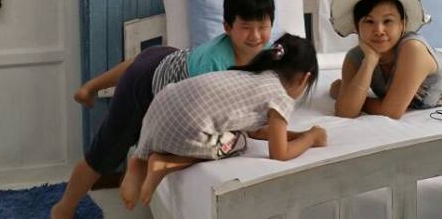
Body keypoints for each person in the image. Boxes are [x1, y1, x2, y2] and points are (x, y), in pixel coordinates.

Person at [51, 0, 277, 219]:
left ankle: (90, 87)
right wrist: (142, 155)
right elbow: (184, 118)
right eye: (246, 28)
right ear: (227, 28)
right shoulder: (214, 67)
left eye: (263, 27)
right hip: (148, 89)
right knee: (104, 153)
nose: (256, 36)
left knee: (141, 63)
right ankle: (63, 208)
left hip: (166, 57)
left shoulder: (269, 53)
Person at [119, 34, 327, 209]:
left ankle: (139, 160)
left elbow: (259, 131)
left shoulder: (252, 74)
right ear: (304, 79)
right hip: (184, 126)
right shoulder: (280, 96)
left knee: (237, 132)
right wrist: (311, 138)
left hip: (160, 106)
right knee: (239, 142)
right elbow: (279, 153)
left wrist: (298, 135)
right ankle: (165, 163)